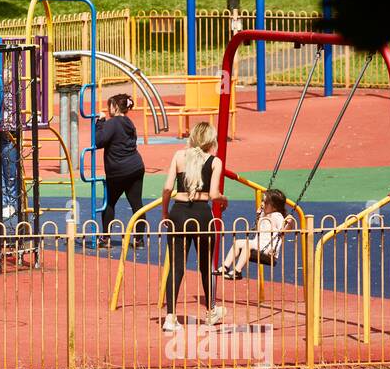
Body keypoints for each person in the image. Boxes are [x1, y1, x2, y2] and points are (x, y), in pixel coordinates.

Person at [160, 121, 226, 332]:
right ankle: (211, 310)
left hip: (178, 212)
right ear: (210, 141)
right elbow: (214, 195)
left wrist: (164, 212)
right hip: (202, 213)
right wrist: (224, 200)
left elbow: (167, 187)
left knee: (177, 265)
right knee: (206, 265)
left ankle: (170, 317)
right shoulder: (215, 162)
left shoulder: (179, 156)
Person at [95, 93, 146, 246]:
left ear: (116, 107)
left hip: (118, 171)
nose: (108, 108)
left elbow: (99, 141)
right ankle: (139, 239)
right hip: (136, 167)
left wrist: (100, 122)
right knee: (137, 203)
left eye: (110, 104)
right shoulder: (129, 123)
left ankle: (105, 238)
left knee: (109, 203)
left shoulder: (113, 122)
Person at [218, 189, 293, 279]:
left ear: (274, 207)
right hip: (257, 244)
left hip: (268, 250)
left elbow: (283, 231)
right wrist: (258, 217)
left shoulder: (277, 216)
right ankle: (225, 267)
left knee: (247, 244)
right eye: (262, 201)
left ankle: (237, 271)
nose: (262, 204)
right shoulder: (263, 215)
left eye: (265, 202)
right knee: (237, 242)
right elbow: (260, 229)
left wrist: (290, 223)